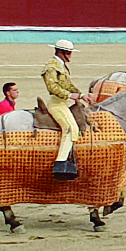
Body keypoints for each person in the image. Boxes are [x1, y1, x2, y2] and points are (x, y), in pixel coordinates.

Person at [42, 40, 86, 181]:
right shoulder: (51, 67)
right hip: (57, 104)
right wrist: (69, 95)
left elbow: (68, 85)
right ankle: (60, 163)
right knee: (69, 128)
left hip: (63, 103)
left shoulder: (61, 66)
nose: (71, 55)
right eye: (70, 52)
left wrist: (82, 95)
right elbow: (52, 87)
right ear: (64, 52)